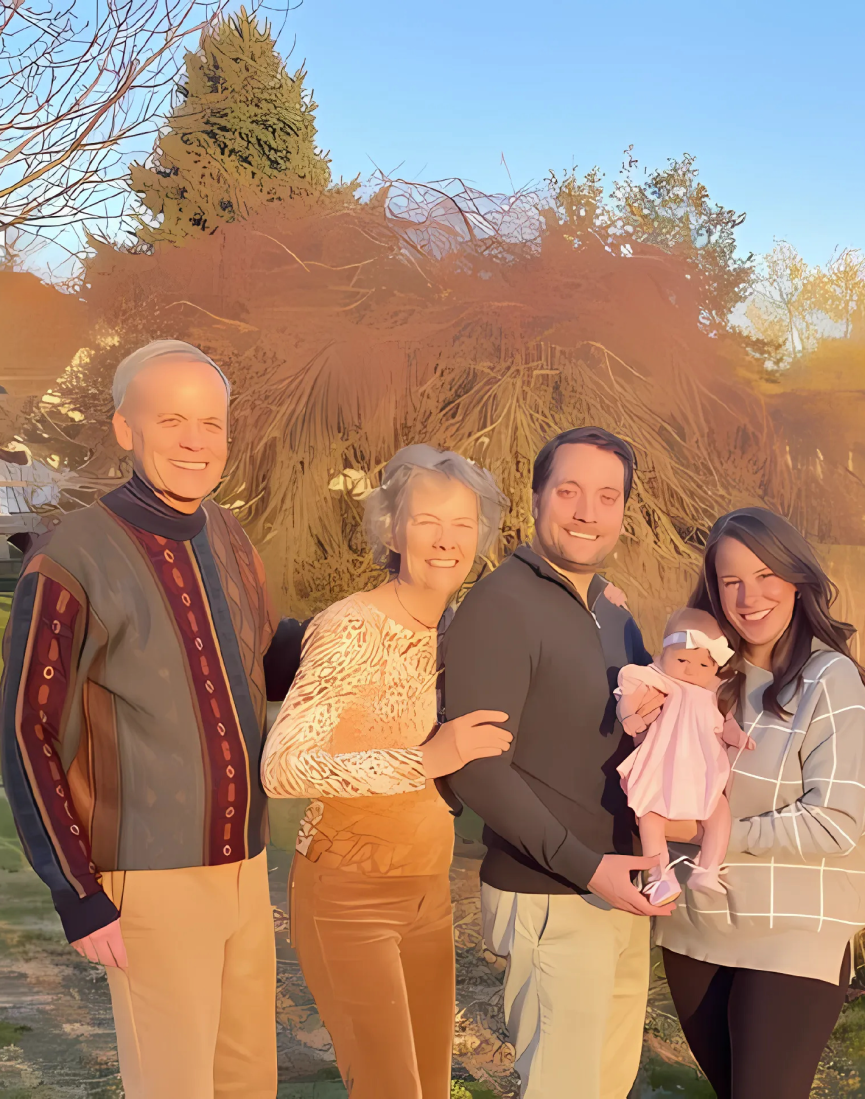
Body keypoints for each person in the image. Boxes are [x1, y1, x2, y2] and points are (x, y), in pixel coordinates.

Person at [0, 340, 297, 1099]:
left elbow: (263, 662)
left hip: (246, 865)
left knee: (247, 1083)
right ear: (125, 428)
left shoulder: (230, 537)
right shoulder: (72, 558)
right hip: (150, 878)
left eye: (210, 422)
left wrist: (400, 626)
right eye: (171, 419)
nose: (195, 440)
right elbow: (28, 732)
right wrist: (77, 891)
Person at [261, 445, 512, 1098]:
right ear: (393, 529)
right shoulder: (351, 626)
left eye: (463, 523)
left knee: (428, 1087)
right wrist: (425, 759)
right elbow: (282, 767)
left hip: (428, 895)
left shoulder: (461, 632)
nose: (446, 539)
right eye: (428, 519)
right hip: (346, 895)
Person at [438, 426, 669, 1099]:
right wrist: (584, 865)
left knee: (606, 1083)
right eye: (568, 491)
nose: (587, 511)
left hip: (621, 888)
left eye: (607, 495)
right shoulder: (501, 605)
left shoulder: (612, 614)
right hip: (553, 889)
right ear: (536, 499)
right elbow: (477, 768)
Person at [654, 506, 865, 1099]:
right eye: (730, 581)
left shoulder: (830, 681)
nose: (748, 596)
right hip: (698, 928)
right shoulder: (698, 682)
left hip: (794, 932)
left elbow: (835, 823)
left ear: (797, 580)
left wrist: (715, 834)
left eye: (765, 576)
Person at [614, 606, 753, 903]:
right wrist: (629, 718)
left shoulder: (713, 694)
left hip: (699, 770)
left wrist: (737, 736)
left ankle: (708, 869)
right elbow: (629, 699)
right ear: (663, 654)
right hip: (661, 764)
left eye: (704, 665)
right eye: (682, 660)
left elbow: (725, 724)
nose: (691, 670)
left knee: (719, 812)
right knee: (649, 815)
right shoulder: (656, 680)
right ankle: (658, 876)